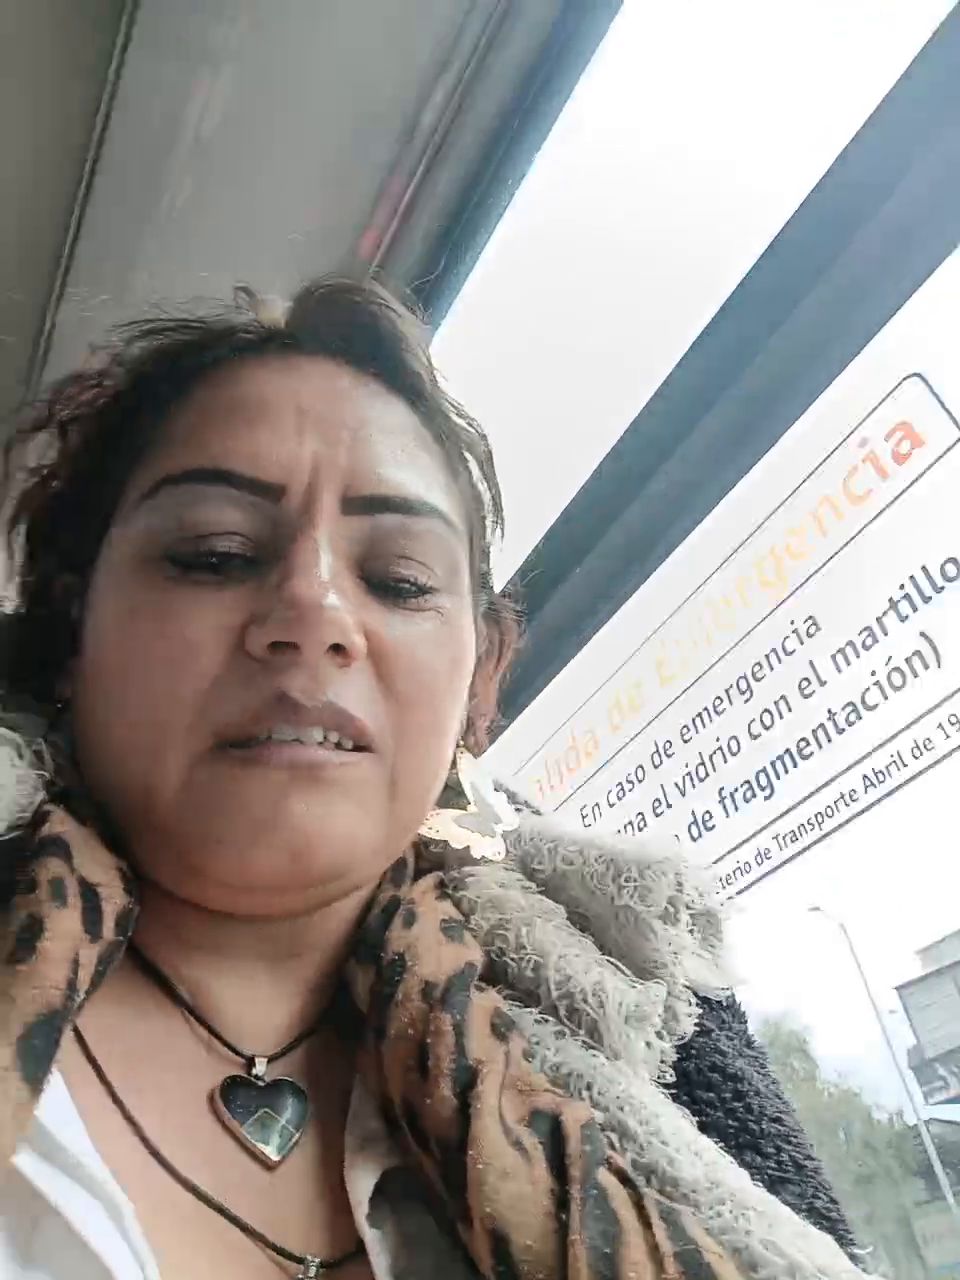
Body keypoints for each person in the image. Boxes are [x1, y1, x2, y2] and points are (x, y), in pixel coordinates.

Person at [0, 277, 864, 1280]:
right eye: (215, 553)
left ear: (476, 680)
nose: (316, 612)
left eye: (401, 580)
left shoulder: (665, 1054)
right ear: (72, 630)